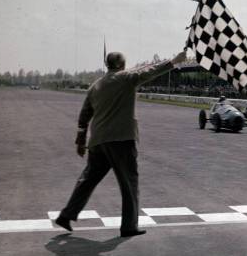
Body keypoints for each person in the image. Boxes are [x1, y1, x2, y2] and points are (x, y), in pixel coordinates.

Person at [55, 50, 186, 237]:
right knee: (129, 183)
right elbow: (149, 71)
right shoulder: (126, 78)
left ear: (107, 65)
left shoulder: (95, 85)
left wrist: (80, 140)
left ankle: (66, 215)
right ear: (122, 65)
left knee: (88, 180)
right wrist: (173, 62)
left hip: (98, 141)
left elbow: (84, 115)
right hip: (121, 140)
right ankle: (129, 226)